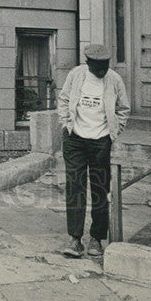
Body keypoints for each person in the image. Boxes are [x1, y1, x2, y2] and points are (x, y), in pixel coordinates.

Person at [57, 43, 130, 258]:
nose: (102, 70)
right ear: (87, 63)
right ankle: (75, 239)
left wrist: (113, 133)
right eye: (97, 66)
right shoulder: (76, 75)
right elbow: (63, 100)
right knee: (75, 188)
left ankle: (96, 239)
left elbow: (123, 108)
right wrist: (65, 123)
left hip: (101, 141)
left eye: (105, 66)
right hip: (75, 139)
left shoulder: (114, 80)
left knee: (100, 189)